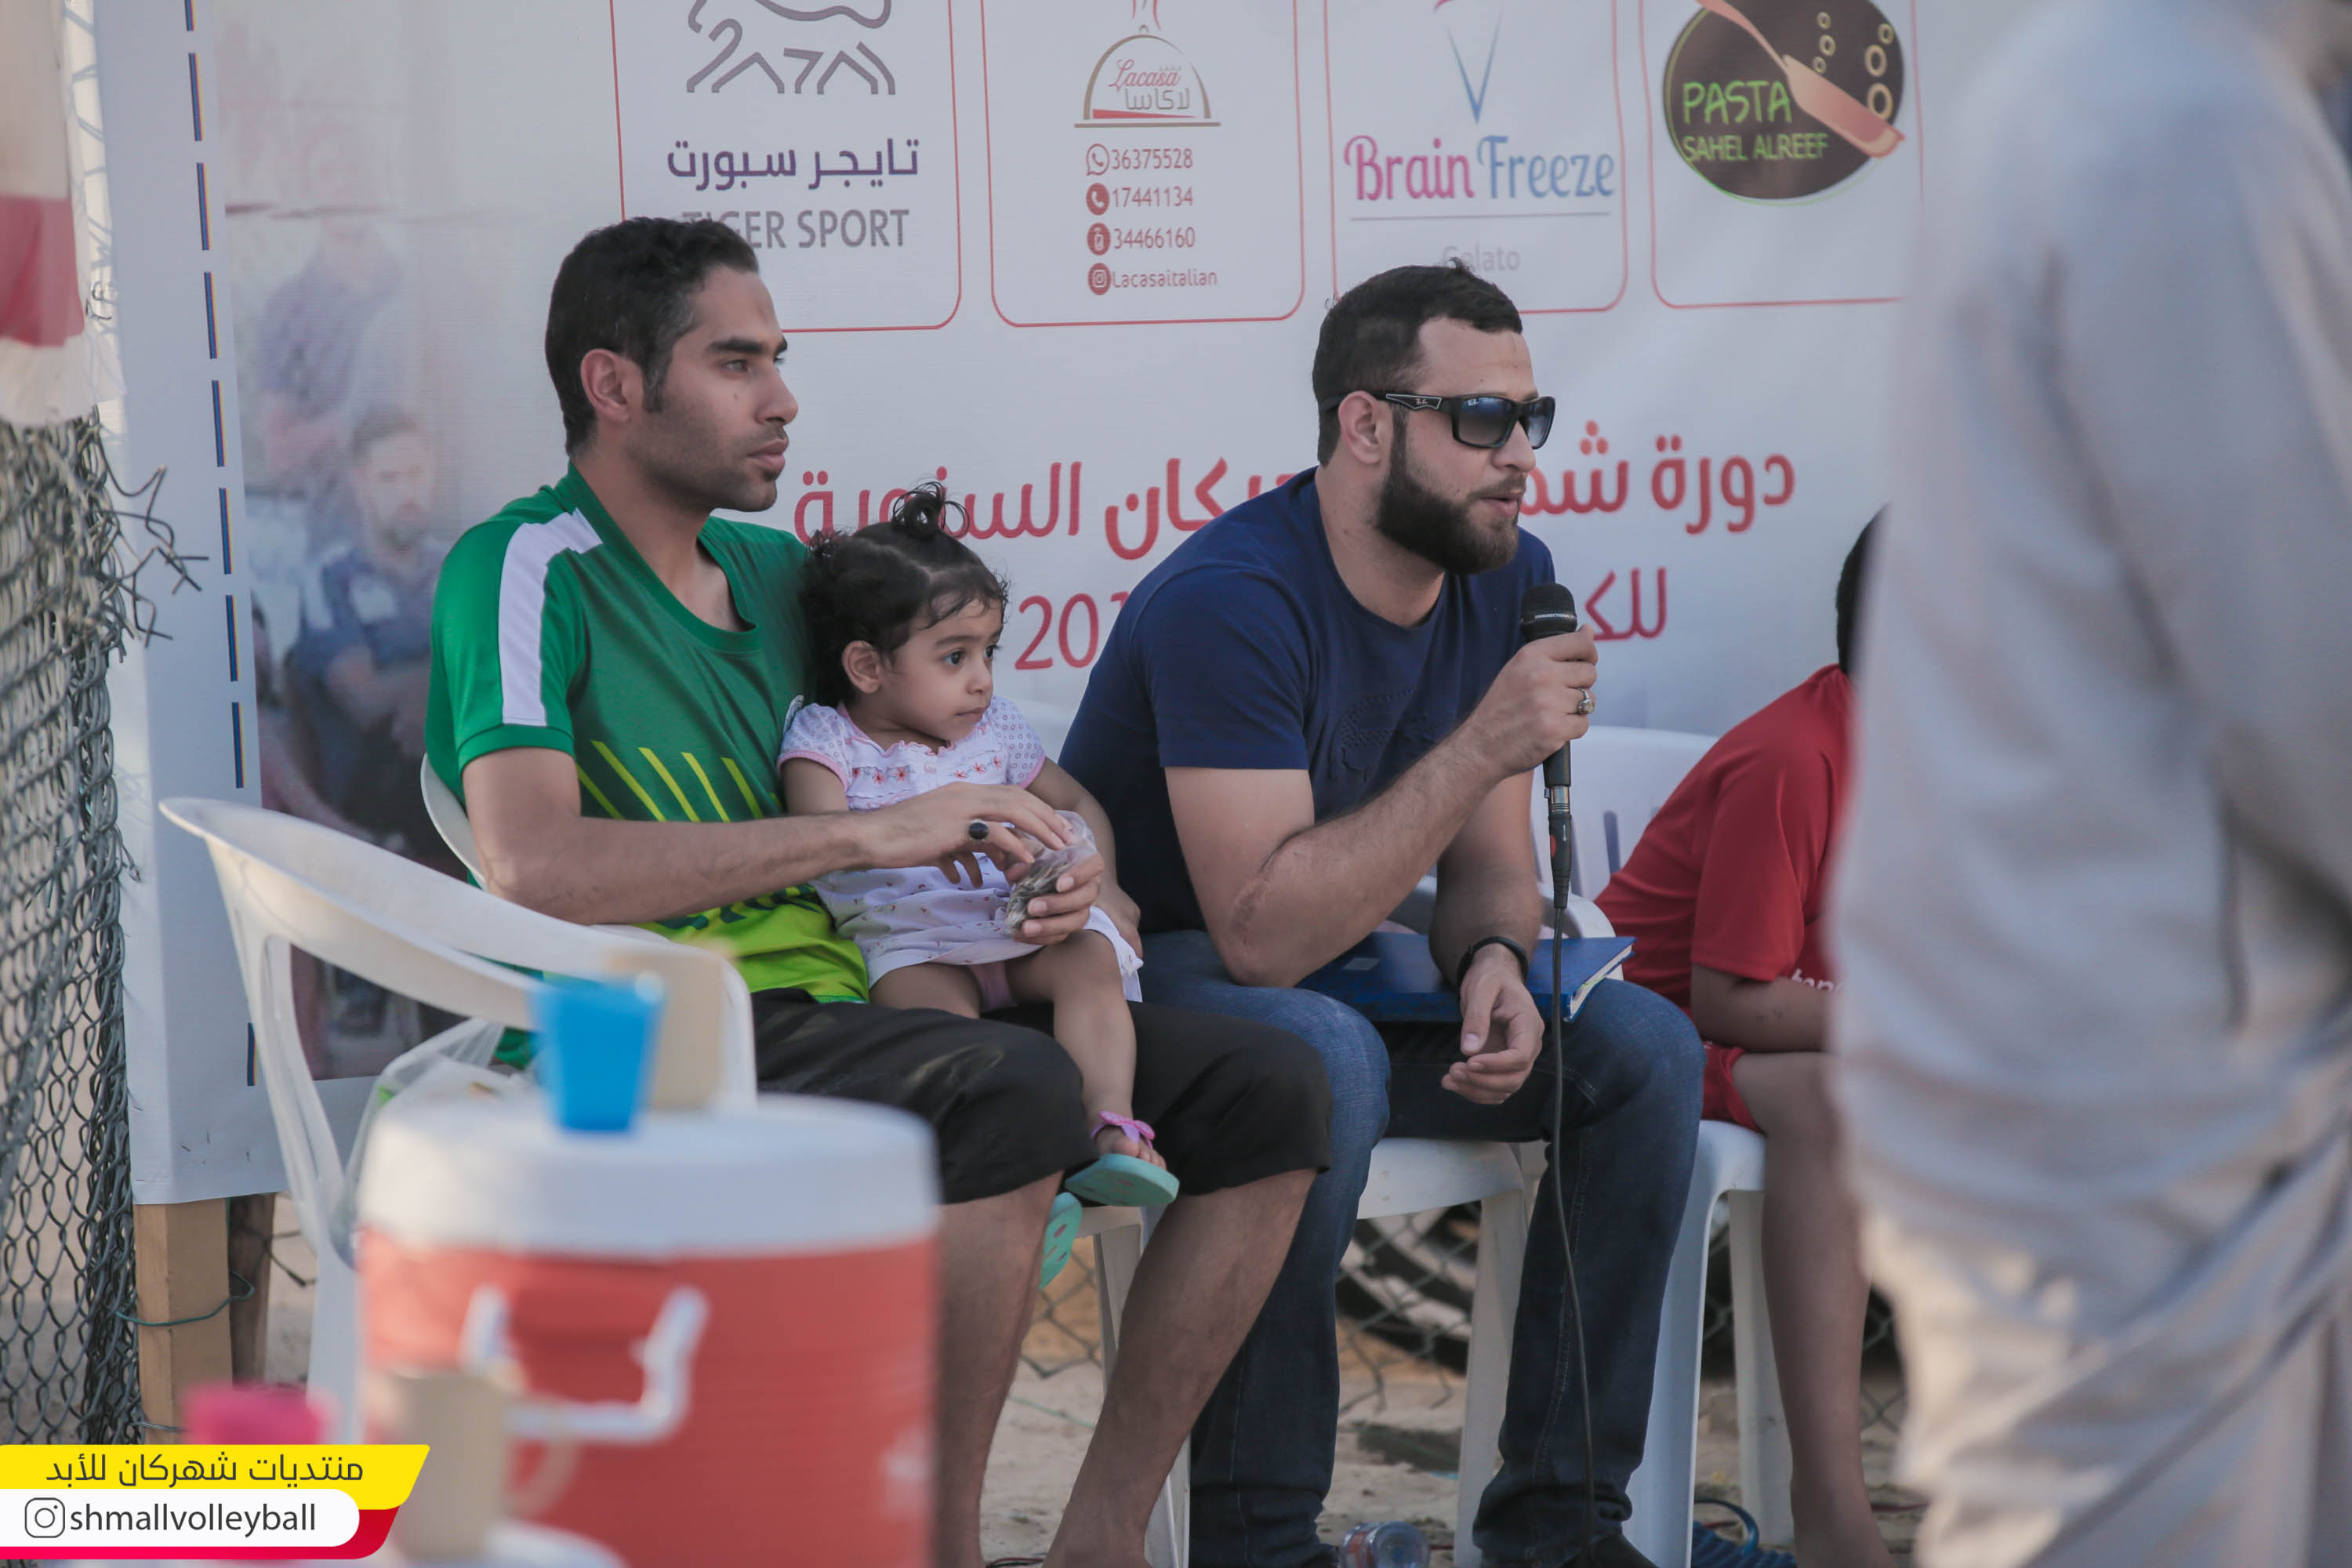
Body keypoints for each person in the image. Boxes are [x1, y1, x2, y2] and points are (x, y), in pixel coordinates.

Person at [426, 217, 1331, 1568]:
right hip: (654, 1034)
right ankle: (934, 1550)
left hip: (866, 1002)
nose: (783, 399)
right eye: (738, 363)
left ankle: (1100, 1542)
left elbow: (978, 759)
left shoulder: (784, 576)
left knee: (1276, 1089)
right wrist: (866, 839)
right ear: (613, 385)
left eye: (778, 360)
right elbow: (536, 866)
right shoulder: (521, 567)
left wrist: (1073, 863)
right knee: (1011, 1089)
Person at [1063, 262, 1704, 1568]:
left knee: (1643, 1050)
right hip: (1137, 1000)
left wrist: (1495, 960)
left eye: (1530, 417)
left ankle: (1563, 1528)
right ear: (1366, 425)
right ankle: (1258, 1542)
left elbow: (1492, 869)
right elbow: (1257, 938)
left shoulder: (1506, 573)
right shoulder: (1232, 599)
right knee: (1323, 1057)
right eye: (1481, 418)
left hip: (1340, 981)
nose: (1518, 455)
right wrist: (1483, 743)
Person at [1831, 2, 2352, 1564]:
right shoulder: (2187, 124)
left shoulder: (2139, 94)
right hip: (2143, 1102)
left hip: (2164, 1072)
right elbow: (2305, 687)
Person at [1596, 521, 1885, 1568]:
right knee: (1841, 1098)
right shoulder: (1795, 759)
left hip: (1824, 1034)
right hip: (1652, 1035)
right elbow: (1730, 998)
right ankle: (1832, 1511)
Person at [781, 488, 1172, 1255]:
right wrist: (918, 835)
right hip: (914, 946)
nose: (983, 679)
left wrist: (1105, 885)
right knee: (952, 1044)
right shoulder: (826, 742)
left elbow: (1077, 802)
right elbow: (818, 839)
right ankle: (1023, 1188)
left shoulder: (994, 732)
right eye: (955, 656)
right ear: (866, 666)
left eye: (989, 652)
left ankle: (1111, 1129)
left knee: (1090, 960)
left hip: (1020, 929)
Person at [289, 406, 444, 863]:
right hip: (375, 798)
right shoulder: (331, 577)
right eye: (389, 479)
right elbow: (365, 700)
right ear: (360, 485)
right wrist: (446, 680)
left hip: (459, 768)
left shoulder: (461, 565)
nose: (407, 493)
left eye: (415, 475)